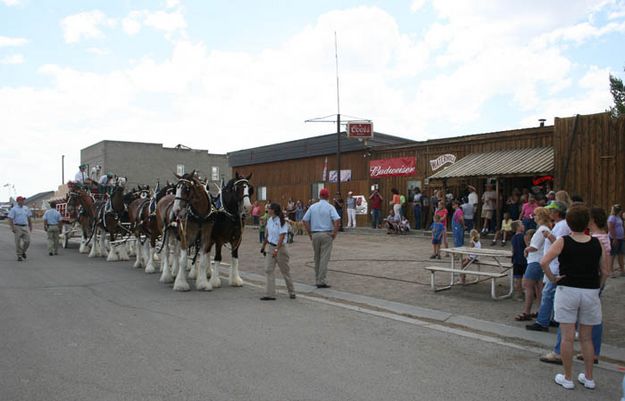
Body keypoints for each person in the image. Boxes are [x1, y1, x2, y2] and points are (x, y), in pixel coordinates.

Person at [540, 204, 609, 390]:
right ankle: (589, 377)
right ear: (587, 222)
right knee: (586, 338)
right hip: (590, 291)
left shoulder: (562, 241)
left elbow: (544, 261)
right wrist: (598, 285)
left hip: (568, 289)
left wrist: (553, 279)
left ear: (569, 223)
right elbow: (605, 270)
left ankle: (568, 377)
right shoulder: (597, 243)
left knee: (567, 337)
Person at [527, 201, 571, 332]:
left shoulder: (561, 226)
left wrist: (549, 236)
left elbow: (560, 243)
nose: (550, 213)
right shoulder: (559, 225)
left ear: (557, 213)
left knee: (547, 293)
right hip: (554, 264)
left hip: (555, 265)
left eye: (551, 211)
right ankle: (552, 319)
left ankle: (543, 322)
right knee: (551, 293)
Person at [517, 207, 551, 321]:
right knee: (539, 287)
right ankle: (540, 311)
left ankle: (526, 311)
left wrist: (526, 249)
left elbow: (534, 247)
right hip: (541, 260)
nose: (534, 217)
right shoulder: (546, 229)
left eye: (535, 215)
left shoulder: (541, 229)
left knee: (527, 285)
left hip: (535, 261)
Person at [303, 188, 340, 288]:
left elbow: (305, 220)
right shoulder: (330, 207)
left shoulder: (313, 207)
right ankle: (321, 280)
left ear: (319, 196)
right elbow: (337, 220)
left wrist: (310, 233)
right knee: (324, 258)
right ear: (328, 196)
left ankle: (317, 278)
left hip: (315, 234)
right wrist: (334, 233)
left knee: (317, 257)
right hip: (326, 233)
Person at [259, 203, 296, 301]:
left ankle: (291, 291)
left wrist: (276, 249)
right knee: (268, 269)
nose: (268, 210)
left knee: (285, 271)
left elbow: (282, 236)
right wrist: (263, 246)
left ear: (274, 210)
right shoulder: (270, 220)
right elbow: (267, 235)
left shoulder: (281, 221)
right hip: (271, 247)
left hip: (281, 249)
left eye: (269, 208)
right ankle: (270, 294)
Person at [8, 196, 32, 261]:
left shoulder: (26, 208)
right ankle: (19, 256)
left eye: (23, 200)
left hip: (25, 226)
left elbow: (29, 217)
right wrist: (12, 227)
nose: (22, 201)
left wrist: (30, 226)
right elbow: (10, 218)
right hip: (17, 226)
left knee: (28, 241)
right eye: (21, 200)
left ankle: (23, 252)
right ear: (18, 201)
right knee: (18, 242)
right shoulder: (14, 209)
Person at [510, 221, 527, 301]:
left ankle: (518, 294)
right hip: (524, 259)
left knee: (518, 278)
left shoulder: (513, 237)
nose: (523, 226)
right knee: (525, 278)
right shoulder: (524, 236)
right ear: (518, 227)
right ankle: (525, 292)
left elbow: (513, 250)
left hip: (516, 259)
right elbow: (527, 247)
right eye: (522, 225)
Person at [608, 204, 625, 277]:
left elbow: (621, 226)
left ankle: (622, 270)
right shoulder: (612, 218)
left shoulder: (618, 217)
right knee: (613, 254)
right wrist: (614, 238)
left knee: (621, 254)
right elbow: (611, 228)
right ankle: (611, 271)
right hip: (614, 239)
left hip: (621, 238)